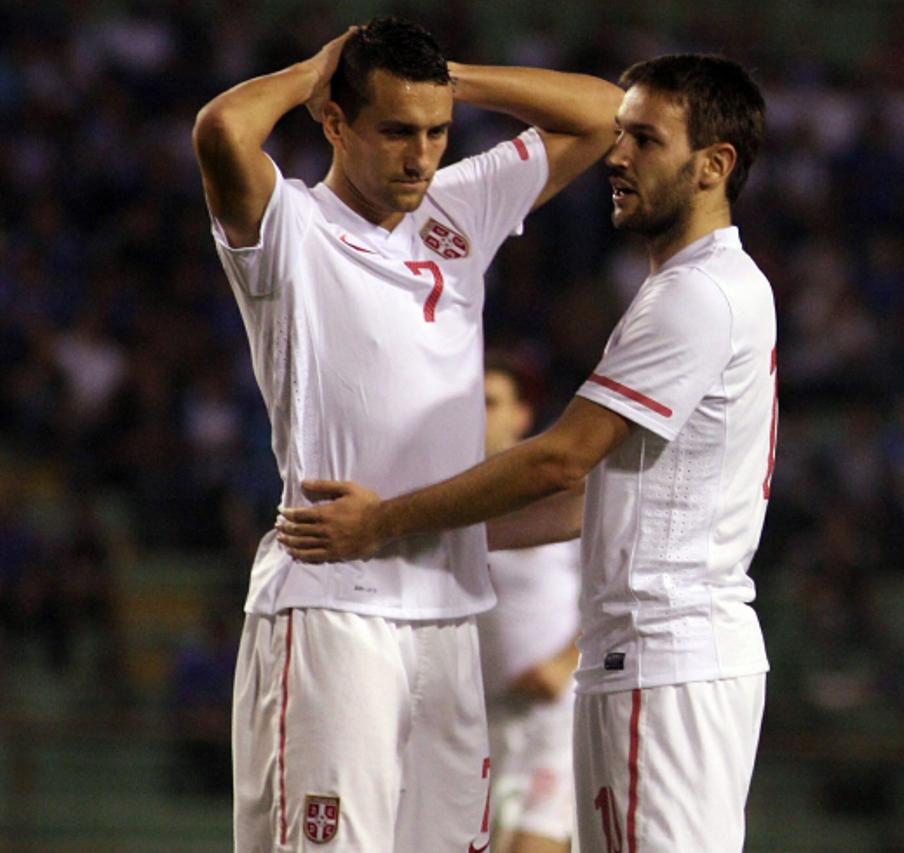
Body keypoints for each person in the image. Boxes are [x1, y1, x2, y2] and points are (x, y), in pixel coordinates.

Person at [277, 53, 775, 853]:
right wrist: (429, 535)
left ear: (714, 165)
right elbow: (593, 496)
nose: (616, 156)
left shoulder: (696, 296)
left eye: (644, 140)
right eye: (623, 138)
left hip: (665, 655)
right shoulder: (698, 285)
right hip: (657, 659)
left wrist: (386, 523)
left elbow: (561, 461)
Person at [191, 17, 621, 851]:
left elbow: (606, 113)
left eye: (435, 132)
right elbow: (222, 128)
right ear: (335, 121)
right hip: (333, 603)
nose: (420, 154)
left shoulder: (459, 205)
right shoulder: (288, 228)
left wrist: (451, 78)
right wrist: (318, 67)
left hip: (450, 619)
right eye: (395, 131)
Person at [478, 355, 580, 853]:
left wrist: (566, 663)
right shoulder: (437, 496)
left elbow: (611, 585)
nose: (479, 415)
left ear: (521, 415)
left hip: (550, 713)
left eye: (490, 403)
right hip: (474, 716)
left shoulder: (554, 488)